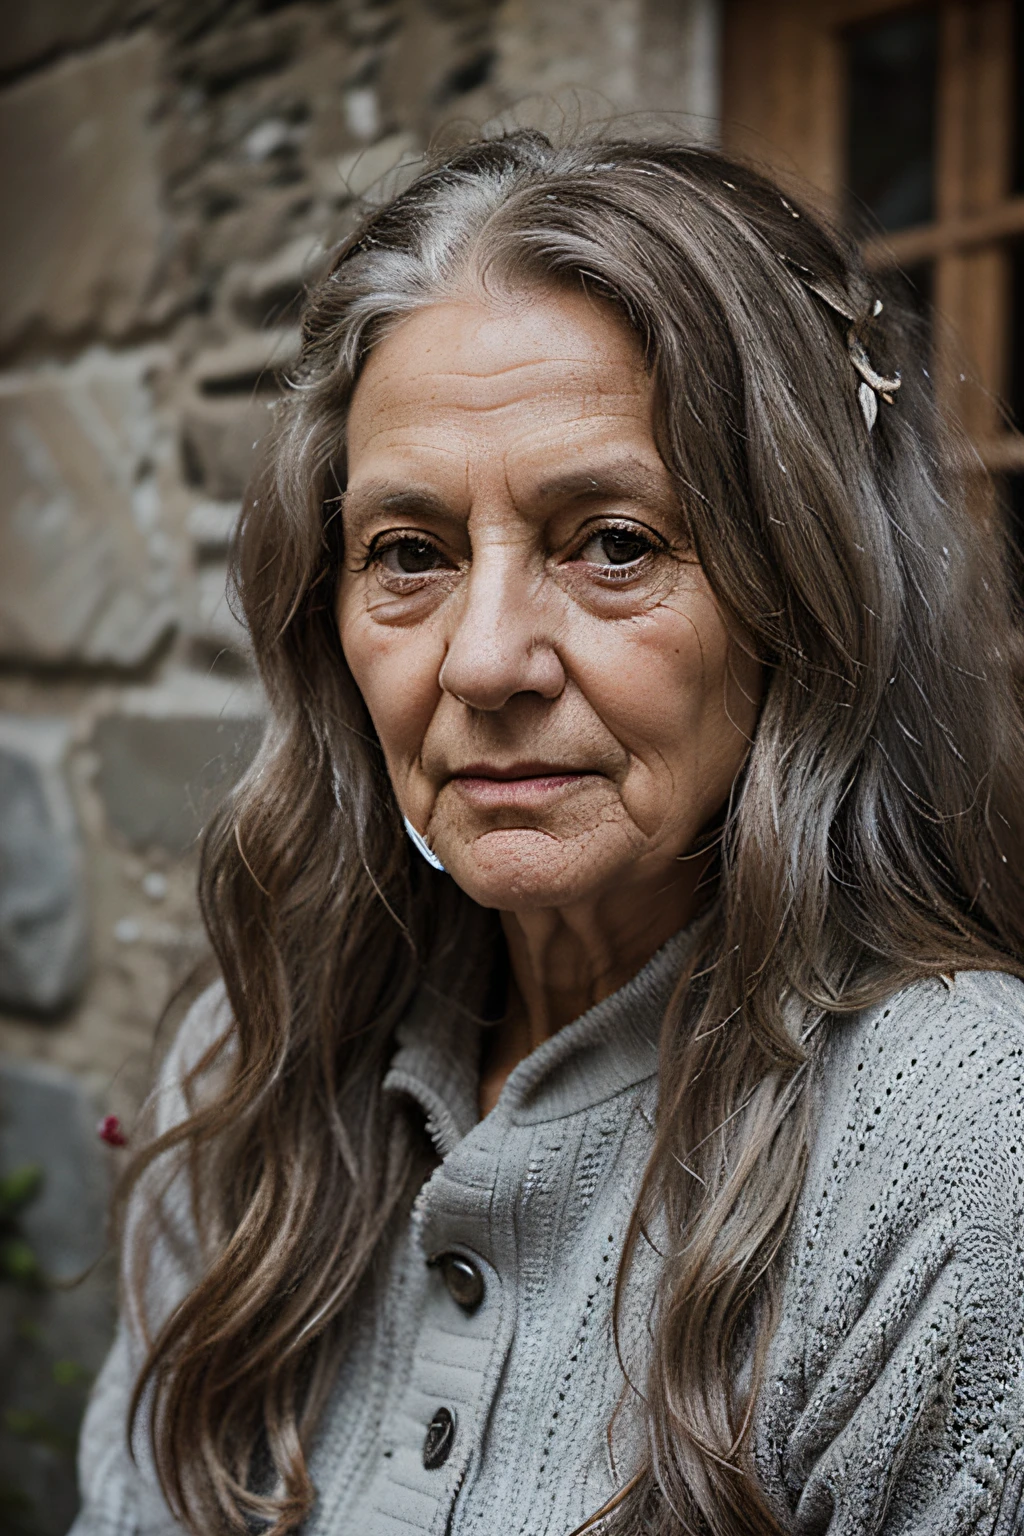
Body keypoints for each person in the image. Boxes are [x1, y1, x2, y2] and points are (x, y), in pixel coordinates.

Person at [72, 133, 1024, 1536]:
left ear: (803, 601)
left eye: (615, 544)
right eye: (410, 553)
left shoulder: (954, 1154)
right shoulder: (257, 1055)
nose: (484, 661)